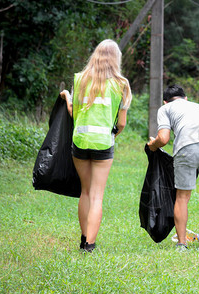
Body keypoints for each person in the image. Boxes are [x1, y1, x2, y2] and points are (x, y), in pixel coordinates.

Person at [60, 39, 132, 252]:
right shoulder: (122, 84)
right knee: (97, 195)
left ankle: (83, 238)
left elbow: (74, 114)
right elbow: (121, 123)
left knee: (85, 192)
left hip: (80, 142)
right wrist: (112, 137)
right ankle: (89, 245)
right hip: (103, 144)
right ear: (116, 59)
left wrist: (66, 97)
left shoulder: (80, 79)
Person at [147, 84, 199, 250]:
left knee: (182, 196)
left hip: (187, 148)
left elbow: (163, 138)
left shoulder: (165, 109)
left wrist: (153, 145)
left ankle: (182, 243)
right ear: (185, 98)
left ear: (165, 101)